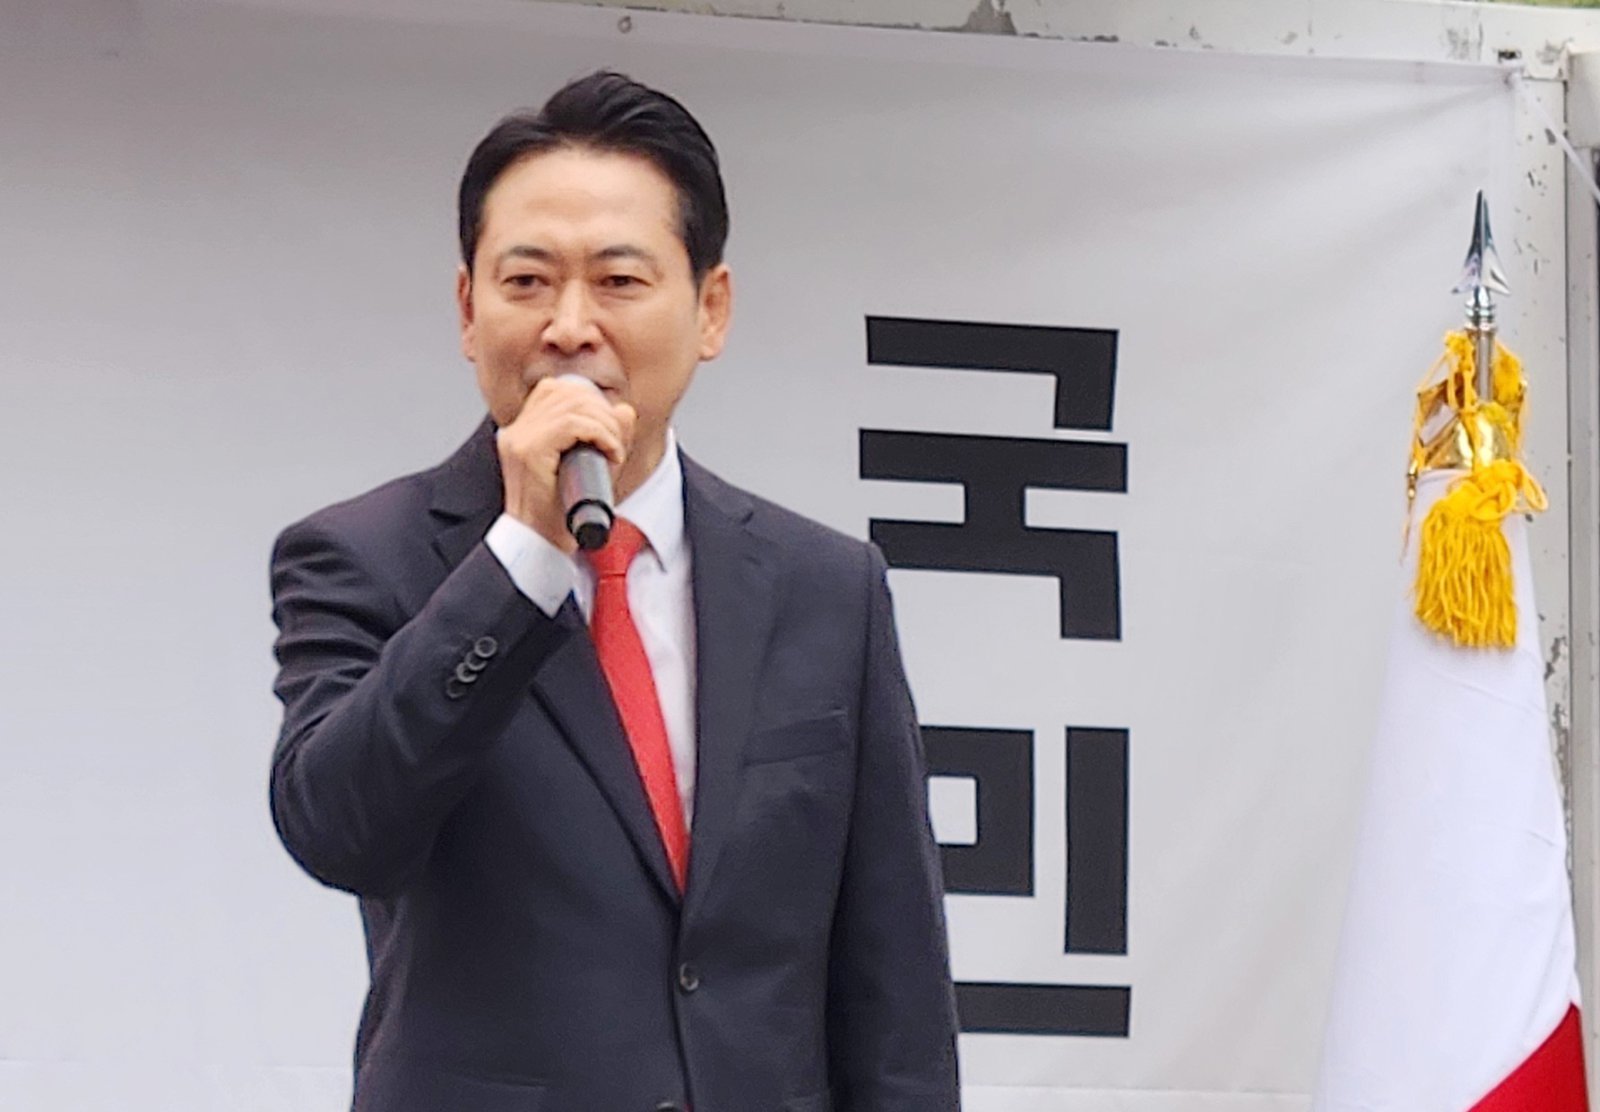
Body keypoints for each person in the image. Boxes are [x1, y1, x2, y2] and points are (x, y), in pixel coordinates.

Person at [268, 70, 960, 1112]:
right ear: (468, 310)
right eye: (528, 280)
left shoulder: (826, 586)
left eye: (619, 280)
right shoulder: (364, 557)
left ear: (710, 309)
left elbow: (894, 978)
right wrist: (519, 561)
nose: (569, 326)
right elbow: (341, 829)